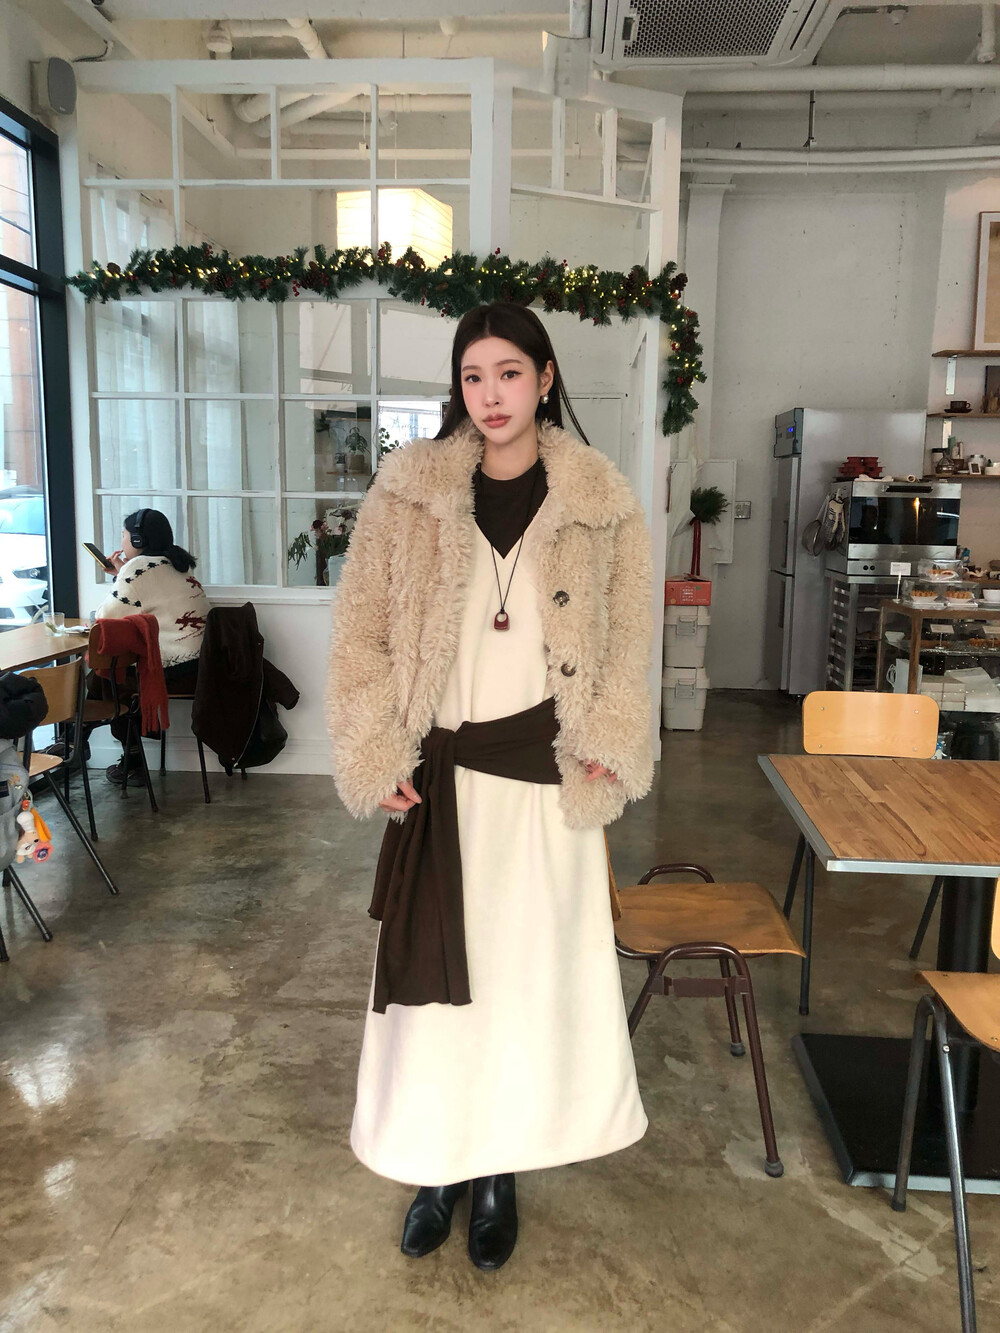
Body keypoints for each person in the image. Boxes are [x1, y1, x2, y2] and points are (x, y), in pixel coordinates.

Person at [326, 302, 655, 1272]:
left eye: (509, 372)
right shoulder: (408, 493)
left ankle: (500, 1169)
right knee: (434, 998)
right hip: (443, 784)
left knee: (522, 986)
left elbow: (627, 640)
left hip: (545, 781)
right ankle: (435, 1166)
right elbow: (361, 635)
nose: (491, 394)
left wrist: (610, 738)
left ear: (545, 378)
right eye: (474, 376)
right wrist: (375, 752)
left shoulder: (599, 501)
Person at [92, 508, 210, 785]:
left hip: (175, 669)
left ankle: (127, 760)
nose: (121, 542)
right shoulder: (176, 564)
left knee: (108, 676)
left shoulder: (138, 568)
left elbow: (104, 617)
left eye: (123, 535)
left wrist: (123, 574)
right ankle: (82, 743)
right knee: (107, 675)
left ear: (137, 540)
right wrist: (121, 574)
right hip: (200, 665)